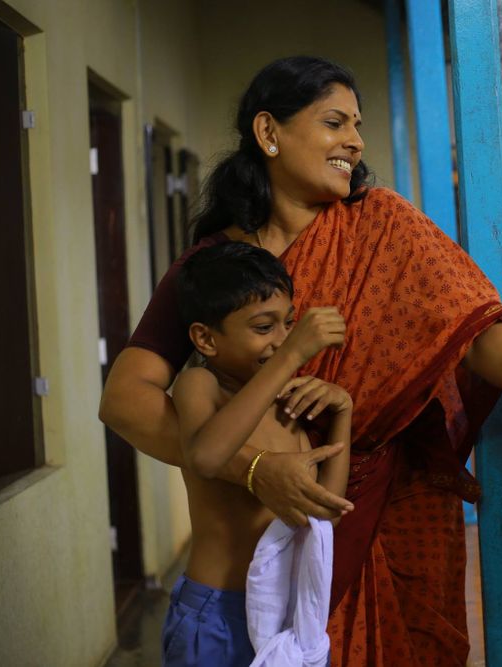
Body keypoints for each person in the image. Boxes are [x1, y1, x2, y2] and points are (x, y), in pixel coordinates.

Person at [99, 55, 502, 666]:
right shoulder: (215, 271)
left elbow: (470, 328)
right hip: (252, 574)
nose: (355, 141)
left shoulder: (386, 227)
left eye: (357, 126)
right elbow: (125, 400)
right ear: (268, 132)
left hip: (392, 511)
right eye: (334, 122)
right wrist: (255, 468)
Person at [163, 242, 351, 666]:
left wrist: (344, 411)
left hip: (286, 612)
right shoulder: (202, 385)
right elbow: (206, 456)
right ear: (206, 338)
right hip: (216, 613)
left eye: (289, 324)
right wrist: (292, 354)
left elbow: (326, 514)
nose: (282, 340)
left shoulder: (287, 401)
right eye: (264, 328)